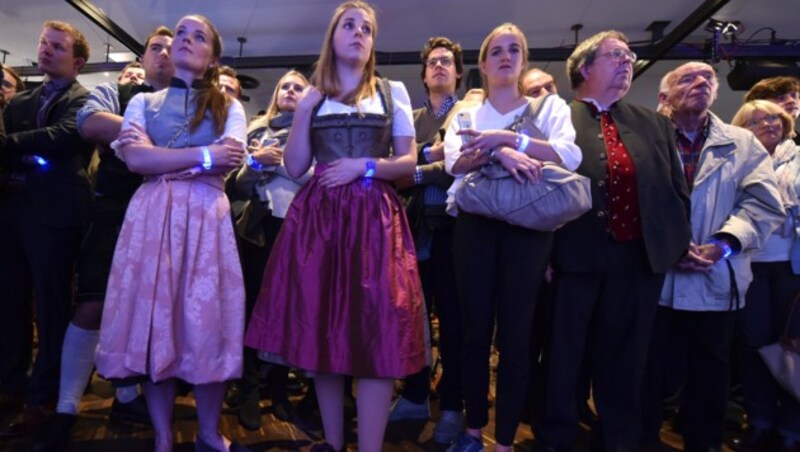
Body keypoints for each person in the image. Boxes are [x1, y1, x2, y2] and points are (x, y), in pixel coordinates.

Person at [244, 2, 426, 451]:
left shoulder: (391, 91)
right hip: (319, 221)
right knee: (321, 329)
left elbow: (406, 162)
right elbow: (295, 164)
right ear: (333, 36)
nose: (359, 33)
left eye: (367, 28)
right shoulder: (313, 96)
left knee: (377, 334)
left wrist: (363, 166)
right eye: (350, 25)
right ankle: (333, 439)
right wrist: (304, 110)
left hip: (375, 220)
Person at [94, 14, 248, 452]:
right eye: (181, 32)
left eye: (198, 36)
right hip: (152, 217)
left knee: (207, 325)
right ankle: (163, 436)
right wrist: (202, 155)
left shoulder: (229, 105)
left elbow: (231, 157)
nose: (185, 39)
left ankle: (206, 432)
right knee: (153, 323)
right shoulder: (143, 102)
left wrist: (166, 157)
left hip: (205, 219)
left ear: (212, 56)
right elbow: (136, 161)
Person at [534, 31, 692, 452]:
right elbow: (538, 191)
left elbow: (676, 190)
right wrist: (545, 254)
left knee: (627, 359)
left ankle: (620, 440)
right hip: (572, 259)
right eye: (615, 55)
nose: (627, 61)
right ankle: (557, 436)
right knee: (566, 358)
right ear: (585, 67)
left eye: (630, 55)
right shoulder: (557, 117)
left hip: (637, 262)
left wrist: (673, 244)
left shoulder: (655, 123)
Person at [28, 26, 175, 451]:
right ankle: (67, 407)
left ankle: (130, 397)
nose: (163, 53)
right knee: (91, 304)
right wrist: (169, 143)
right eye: (155, 47)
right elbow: (89, 124)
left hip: (168, 213)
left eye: (170, 47)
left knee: (152, 309)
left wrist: (137, 141)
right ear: (142, 59)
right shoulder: (116, 92)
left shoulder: (190, 102)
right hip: (114, 208)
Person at [443, 23, 581, 452]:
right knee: (474, 332)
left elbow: (570, 155)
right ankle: (472, 433)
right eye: (497, 51)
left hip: (528, 228)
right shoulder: (465, 112)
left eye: (514, 50)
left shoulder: (550, 106)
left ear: (523, 60)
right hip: (475, 226)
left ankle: (504, 441)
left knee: (518, 337)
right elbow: (452, 163)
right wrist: (504, 153)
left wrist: (506, 138)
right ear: (483, 64)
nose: (506, 56)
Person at [643, 62, 784, 452]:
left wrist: (724, 243)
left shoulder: (742, 143)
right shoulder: (644, 139)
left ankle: (702, 442)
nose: (700, 83)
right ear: (663, 96)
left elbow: (764, 205)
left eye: (708, 78)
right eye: (687, 78)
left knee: (710, 371)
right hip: (654, 279)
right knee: (648, 369)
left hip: (716, 278)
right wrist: (668, 247)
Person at [0, 20, 94, 438]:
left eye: (58, 46)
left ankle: (42, 399)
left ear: (77, 62)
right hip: (12, 210)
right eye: (43, 43)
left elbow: (64, 137)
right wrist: (28, 149)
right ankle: (10, 388)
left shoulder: (85, 100)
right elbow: (40, 145)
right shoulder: (19, 102)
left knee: (52, 310)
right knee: (10, 306)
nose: (46, 50)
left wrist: (14, 146)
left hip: (56, 217)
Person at [389, 35, 466, 445]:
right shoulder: (409, 117)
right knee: (413, 321)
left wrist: (419, 167)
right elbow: (393, 164)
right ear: (424, 75)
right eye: (433, 62)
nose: (439, 66)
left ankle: (452, 405)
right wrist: (430, 154)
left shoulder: (470, 111)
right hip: (411, 231)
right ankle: (416, 395)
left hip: (457, 232)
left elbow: (464, 165)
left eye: (447, 61)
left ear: (457, 72)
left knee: (455, 323)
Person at [227, 69, 310, 430]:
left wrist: (285, 165)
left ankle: (277, 388)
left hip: (300, 230)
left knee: (288, 309)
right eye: (285, 86)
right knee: (251, 308)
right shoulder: (254, 129)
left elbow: (319, 177)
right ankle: (247, 388)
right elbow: (238, 187)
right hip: (257, 228)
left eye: (298, 87)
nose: (290, 91)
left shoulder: (314, 133)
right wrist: (256, 164)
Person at [731, 99, 800, 451]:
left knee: (793, 345)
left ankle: (792, 425)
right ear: (743, 127)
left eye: (774, 117)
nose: (768, 123)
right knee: (754, 343)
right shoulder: (737, 159)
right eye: (756, 119)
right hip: (750, 262)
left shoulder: (798, 157)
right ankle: (759, 419)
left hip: (792, 265)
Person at [745, 76, 800, 144]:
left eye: (795, 96)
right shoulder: (745, 141)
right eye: (780, 97)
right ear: (758, 104)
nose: (792, 101)